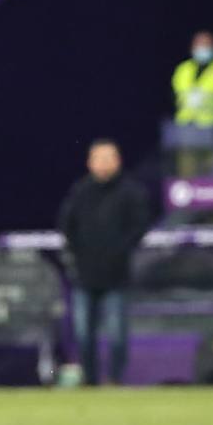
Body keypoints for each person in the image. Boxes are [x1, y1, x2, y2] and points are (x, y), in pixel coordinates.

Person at [57, 139, 151, 386]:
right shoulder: (81, 191)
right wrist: (77, 254)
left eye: (109, 158)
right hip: (85, 275)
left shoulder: (131, 192)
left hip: (116, 275)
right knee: (83, 334)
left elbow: (140, 225)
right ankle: (90, 381)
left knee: (117, 335)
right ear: (90, 162)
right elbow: (67, 225)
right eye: (99, 158)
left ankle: (115, 380)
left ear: (118, 161)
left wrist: (120, 250)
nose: (103, 164)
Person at [171, 31, 213, 176]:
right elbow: (176, 98)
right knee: (187, 173)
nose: (202, 48)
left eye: (206, 44)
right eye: (199, 44)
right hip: (187, 128)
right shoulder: (183, 69)